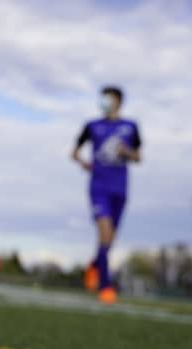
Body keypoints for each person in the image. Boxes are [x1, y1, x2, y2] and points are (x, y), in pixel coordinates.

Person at [71, 86, 142, 304]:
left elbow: (138, 157)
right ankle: (106, 286)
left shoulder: (130, 127)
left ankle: (94, 265)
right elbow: (74, 152)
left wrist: (127, 152)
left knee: (110, 240)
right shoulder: (92, 126)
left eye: (108, 98)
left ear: (118, 101)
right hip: (98, 187)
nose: (104, 102)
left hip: (120, 189)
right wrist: (84, 163)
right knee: (104, 232)